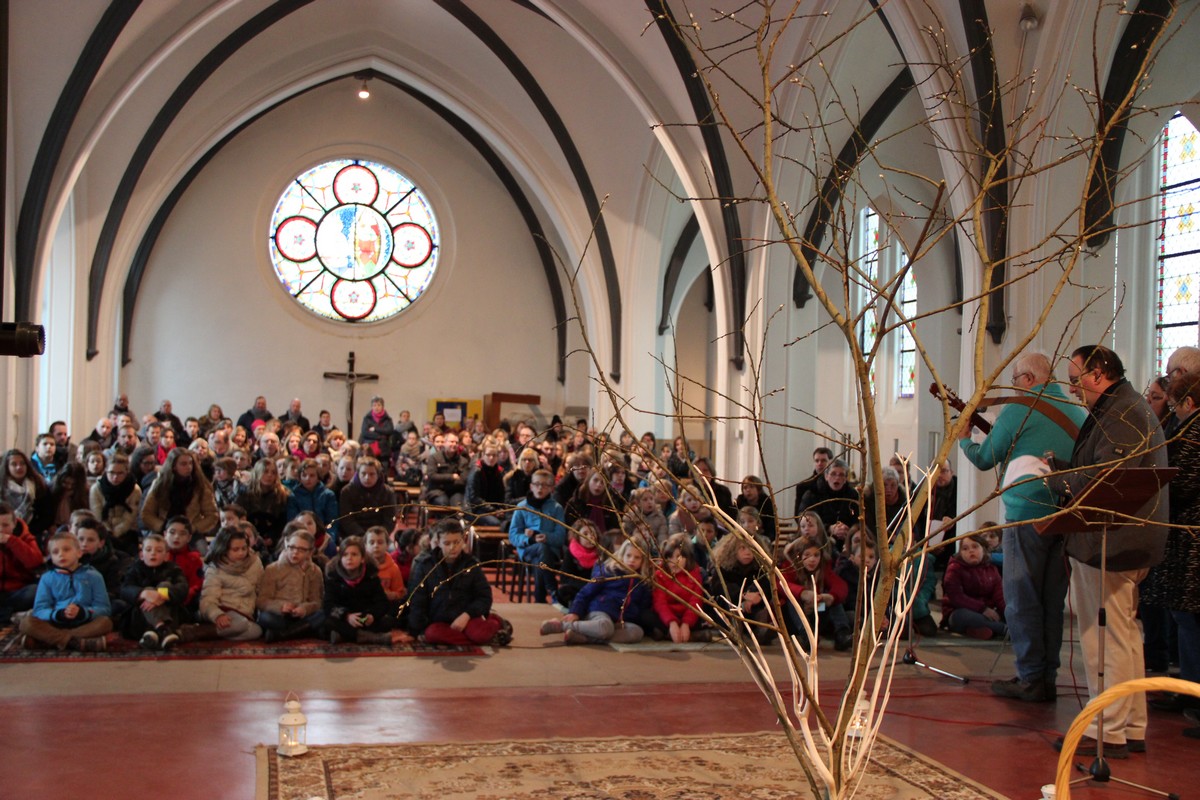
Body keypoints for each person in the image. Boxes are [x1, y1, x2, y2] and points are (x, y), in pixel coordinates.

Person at [1055, 345, 1168, 757]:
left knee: (1103, 636)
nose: (1072, 389)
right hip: (1122, 539)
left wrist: (1058, 481)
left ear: (1098, 373)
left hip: (1112, 540)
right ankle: (1131, 725)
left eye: (1075, 379)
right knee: (1124, 634)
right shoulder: (1124, 406)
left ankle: (1108, 729)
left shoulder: (1121, 413)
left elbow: (1107, 478)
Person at [959, 352, 1085, 703]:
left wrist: (965, 439)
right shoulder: (1076, 411)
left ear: (1028, 379)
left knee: (1021, 598)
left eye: (1015, 380)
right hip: (1064, 516)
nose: (1014, 387)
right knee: (1051, 601)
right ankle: (1047, 677)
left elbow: (985, 458)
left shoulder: (1021, 408)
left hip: (1027, 515)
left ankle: (1030, 677)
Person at [1140, 371, 1200, 726]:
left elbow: (1182, 483)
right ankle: (1187, 689)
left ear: (1188, 403)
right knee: (1184, 617)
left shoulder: (1193, 433)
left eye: (1174, 405)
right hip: (1186, 536)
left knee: (1189, 619)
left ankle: (1194, 693)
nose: (1172, 411)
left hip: (1192, 538)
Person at [539, 539, 652, 645]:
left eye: (637, 557)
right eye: (628, 555)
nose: (632, 560)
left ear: (643, 560)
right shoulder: (609, 572)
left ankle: (584, 638)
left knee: (637, 632)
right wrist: (575, 612)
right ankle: (562, 626)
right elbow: (585, 592)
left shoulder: (643, 582)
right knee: (605, 627)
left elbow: (642, 606)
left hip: (619, 620)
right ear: (622, 555)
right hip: (599, 612)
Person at [407, 520, 501, 645]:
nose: (452, 547)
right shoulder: (425, 565)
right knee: (431, 634)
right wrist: (418, 629)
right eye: (447, 543)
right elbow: (417, 600)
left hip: (466, 617)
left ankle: (496, 622)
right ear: (438, 543)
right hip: (438, 620)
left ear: (463, 541)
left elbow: (484, 597)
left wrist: (467, 615)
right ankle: (480, 637)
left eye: (457, 542)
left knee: (480, 635)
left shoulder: (471, 564)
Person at [17, 531, 112, 651]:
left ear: (79, 553)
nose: (61, 554)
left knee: (105, 622)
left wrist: (82, 612)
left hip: (84, 623)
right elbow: (40, 609)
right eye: (55, 552)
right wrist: (59, 614)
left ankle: (49, 641)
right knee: (26, 623)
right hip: (55, 623)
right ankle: (75, 642)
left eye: (66, 549)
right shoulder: (47, 578)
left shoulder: (94, 576)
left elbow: (104, 609)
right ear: (51, 557)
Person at [779, 535, 853, 651]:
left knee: (835, 602)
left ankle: (842, 634)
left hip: (817, 609)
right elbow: (782, 585)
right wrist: (803, 593)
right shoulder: (789, 568)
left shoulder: (823, 569)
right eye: (807, 555)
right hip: (793, 616)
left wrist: (829, 597)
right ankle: (807, 636)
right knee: (792, 601)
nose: (812, 559)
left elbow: (840, 585)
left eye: (816, 555)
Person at [507, 468, 568, 603]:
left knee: (539, 560)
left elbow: (560, 536)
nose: (540, 488)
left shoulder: (556, 508)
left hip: (550, 551)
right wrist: (529, 539)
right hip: (528, 549)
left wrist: (545, 537)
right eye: (537, 484)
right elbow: (513, 535)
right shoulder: (522, 507)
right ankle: (552, 589)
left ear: (551, 488)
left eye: (545, 485)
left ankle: (539, 599)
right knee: (540, 548)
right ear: (531, 486)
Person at [119, 532, 188, 650]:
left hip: (170, 613)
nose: (153, 553)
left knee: (164, 586)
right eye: (148, 550)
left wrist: (161, 596)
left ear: (166, 556)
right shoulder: (134, 570)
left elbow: (183, 589)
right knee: (148, 590)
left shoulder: (174, 569)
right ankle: (162, 630)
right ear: (141, 555)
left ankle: (153, 634)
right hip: (140, 618)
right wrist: (143, 594)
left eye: (159, 550)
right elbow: (125, 589)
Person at [322, 536, 394, 645]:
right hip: (344, 618)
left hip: (363, 618)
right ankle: (368, 637)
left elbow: (382, 602)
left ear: (362, 558)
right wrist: (347, 616)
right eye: (345, 555)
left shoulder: (371, 575)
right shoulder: (333, 577)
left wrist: (372, 615)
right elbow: (328, 605)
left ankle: (343, 636)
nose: (349, 558)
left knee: (387, 622)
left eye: (354, 554)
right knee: (327, 623)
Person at [256, 529, 325, 642]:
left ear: (310, 552)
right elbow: (262, 601)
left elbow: (317, 601)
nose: (295, 552)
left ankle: (283, 635)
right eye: (291, 547)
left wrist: (305, 609)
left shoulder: (315, 571)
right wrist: (281, 607)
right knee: (265, 618)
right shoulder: (273, 569)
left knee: (323, 614)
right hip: (280, 616)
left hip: (303, 616)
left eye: (301, 549)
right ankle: (304, 631)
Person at [198, 526, 264, 641]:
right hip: (223, 611)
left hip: (245, 613)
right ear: (224, 549)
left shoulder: (255, 562)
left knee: (257, 631)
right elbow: (207, 600)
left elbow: (260, 589)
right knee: (241, 624)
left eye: (244, 548)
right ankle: (198, 632)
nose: (241, 553)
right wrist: (218, 615)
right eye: (235, 549)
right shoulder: (215, 568)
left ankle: (218, 633)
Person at [140, 448, 219, 538]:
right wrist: (162, 526)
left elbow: (212, 515)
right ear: (173, 466)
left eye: (190, 463)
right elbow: (147, 513)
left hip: (191, 533)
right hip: (164, 530)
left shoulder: (200, 486)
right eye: (183, 464)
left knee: (200, 546)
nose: (189, 467)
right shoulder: (160, 485)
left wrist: (193, 528)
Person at [940, 534, 1007, 640]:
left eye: (975, 547)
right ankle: (1005, 630)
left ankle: (982, 630)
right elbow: (957, 598)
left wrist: (1008, 613)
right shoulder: (954, 569)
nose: (971, 551)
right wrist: (982, 609)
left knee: (1006, 613)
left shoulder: (992, 569)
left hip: (988, 611)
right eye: (965, 549)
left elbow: (1000, 596)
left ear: (984, 550)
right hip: (959, 611)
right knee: (962, 616)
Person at [652, 533, 708, 643]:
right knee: (648, 617)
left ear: (687, 558)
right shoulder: (660, 574)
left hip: (687, 615)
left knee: (702, 617)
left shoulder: (695, 574)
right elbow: (660, 602)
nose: (674, 562)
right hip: (667, 615)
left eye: (678, 557)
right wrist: (672, 622)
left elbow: (695, 601)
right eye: (670, 557)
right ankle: (676, 634)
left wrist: (686, 623)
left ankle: (674, 634)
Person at [0, 502, 45, 625]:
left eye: (5, 525)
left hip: (18, 590)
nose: (1, 530)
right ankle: (8, 614)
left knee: (36, 591)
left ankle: (5, 613)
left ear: (14, 524)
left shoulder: (25, 537)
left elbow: (35, 562)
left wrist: (12, 541)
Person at [88, 454, 142, 556]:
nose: (115, 477)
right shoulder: (96, 489)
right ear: (106, 471)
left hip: (128, 532)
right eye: (112, 472)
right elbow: (98, 515)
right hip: (104, 532)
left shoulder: (134, 490)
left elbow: (130, 517)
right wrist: (108, 531)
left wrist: (117, 532)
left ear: (126, 472)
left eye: (120, 473)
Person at [799, 459, 859, 549]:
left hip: (847, 540)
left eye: (841, 475)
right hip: (818, 541)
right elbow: (803, 518)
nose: (837, 478)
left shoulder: (853, 495)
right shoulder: (812, 494)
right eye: (833, 474)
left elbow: (858, 520)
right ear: (826, 476)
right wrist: (829, 528)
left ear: (845, 479)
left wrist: (848, 530)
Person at [338, 456, 396, 541]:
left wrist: (377, 536)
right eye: (363, 473)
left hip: (379, 535)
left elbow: (390, 520)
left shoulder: (388, 492)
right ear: (358, 474)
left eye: (371, 474)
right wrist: (363, 536)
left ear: (378, 475)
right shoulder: (347, 491)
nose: (367, 478)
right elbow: (347, 520)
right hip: (354, 535)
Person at [241, 458, 290, 555]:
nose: (270, 475)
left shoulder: (282, 494)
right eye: (265, 471)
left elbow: (283, 522)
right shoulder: (245, 494)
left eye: (273, 472)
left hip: (274, 539)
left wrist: (272, 538)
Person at [286, 458, 339, 543]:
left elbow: (332, 521)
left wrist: (329, 539)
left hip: (323, 536)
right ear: (299, 477)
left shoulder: (328, 495)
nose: (308, 478)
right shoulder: (294, 496)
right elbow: (293, 522)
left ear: (318, 477)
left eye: (312, 475)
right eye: (304, 475)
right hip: (301, 536)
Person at [163, 516, 204, 613]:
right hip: (160, 598)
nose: (176, 537)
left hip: (184, 601)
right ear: (165, 534)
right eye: (172, 532)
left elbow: (196, 584)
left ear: (189, 538)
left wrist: (183, 596)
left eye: (182, 534)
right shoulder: (158, 556)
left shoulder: (194, 559)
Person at [464, 439, 506, 526]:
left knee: (510, 520)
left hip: (492, 508)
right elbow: (474, 498)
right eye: (488, 455)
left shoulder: (499, 472)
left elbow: (501, 495)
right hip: (474, 509)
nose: (491, 458)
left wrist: (501, 509)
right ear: (483, 455)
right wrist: (493, 510)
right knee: (496, 523)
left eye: (494, 455)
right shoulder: (476, 471)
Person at [423, 431, 468, 510]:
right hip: (437, 491)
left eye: (456, 442)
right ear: (445, 443)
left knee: (458, 505)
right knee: (443, 503)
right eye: (451, 442)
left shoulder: (463, 461)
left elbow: (463, 480)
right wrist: (452, 477)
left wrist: (443, 481)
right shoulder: (434, 458)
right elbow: (432, 476)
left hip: (455, 491)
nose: (454, 444)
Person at [794, 447, 834, 516]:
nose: (819, 463)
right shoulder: (803, 486)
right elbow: (798, 515)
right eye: (817, 461)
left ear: (831, 462)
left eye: (823, 460)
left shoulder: (836, 484)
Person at [359, 395, 395, 464]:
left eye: (379, 405)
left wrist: (375, 429)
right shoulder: (367, 418)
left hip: (384, 450)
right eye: (374, 405)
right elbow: (364, 432)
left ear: (382, 406)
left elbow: (389, 430)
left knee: (383, 468)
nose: (376, 407)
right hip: (369, 449)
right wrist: (380, 436)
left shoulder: (387, 419)